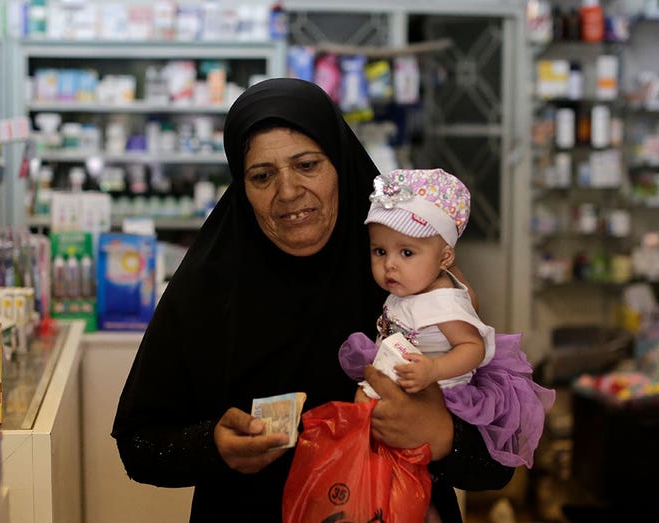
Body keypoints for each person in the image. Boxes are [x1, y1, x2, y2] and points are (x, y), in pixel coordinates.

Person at [111, 78, 514, 522]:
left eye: (306, 165)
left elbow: (500, 461)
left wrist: (439, 434)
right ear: (241, 187)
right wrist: (213, 446)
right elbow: (139, 442)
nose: (287, 192)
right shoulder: (207, 288)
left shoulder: (409, 274)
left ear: (339, 163)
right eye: (262, 175)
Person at [339, 168, 555, 468]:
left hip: (437, 392)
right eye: (379, 251)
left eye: (406, 253)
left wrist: (434, 369)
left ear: (445, 258)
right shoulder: (410, 288)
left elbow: (473, 348)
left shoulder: (443, 302)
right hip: (405, 377)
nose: (390, 265)